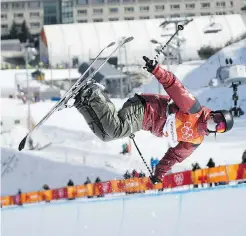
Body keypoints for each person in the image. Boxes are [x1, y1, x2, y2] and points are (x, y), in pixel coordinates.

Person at [73, 56, 234, 184]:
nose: (214, 124)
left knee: (106, 135)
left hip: (143, 121)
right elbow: (174, 85)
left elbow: (173, 157)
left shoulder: (195, 140)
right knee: (117, 129)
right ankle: (92, 92)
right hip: (145, 108)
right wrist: (157, 70)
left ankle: (83, 101)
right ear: (214, 113)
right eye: (217, 119)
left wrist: (159, 174)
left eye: (219, 127)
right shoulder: (194, 109)